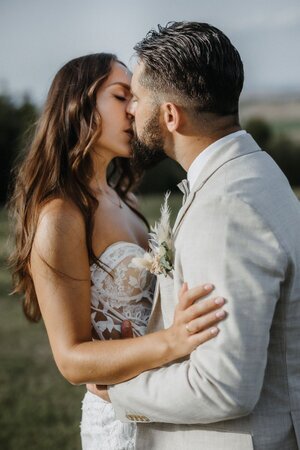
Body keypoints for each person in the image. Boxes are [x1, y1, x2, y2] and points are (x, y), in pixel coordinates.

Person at [93, 22, 300, 450]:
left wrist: (117, 391)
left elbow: (223, 386)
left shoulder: (225, 209)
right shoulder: (255, 171)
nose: (130, 110)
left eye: (137, 98)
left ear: (170, 115)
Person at [8, 53, 227, 450]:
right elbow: (71, 360)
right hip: (117, 421)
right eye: (121, 96)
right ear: (79, 105)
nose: (134, 111)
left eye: (135, 98)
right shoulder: (60, 216)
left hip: (163, 400)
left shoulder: (124, 198)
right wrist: (173, 341)